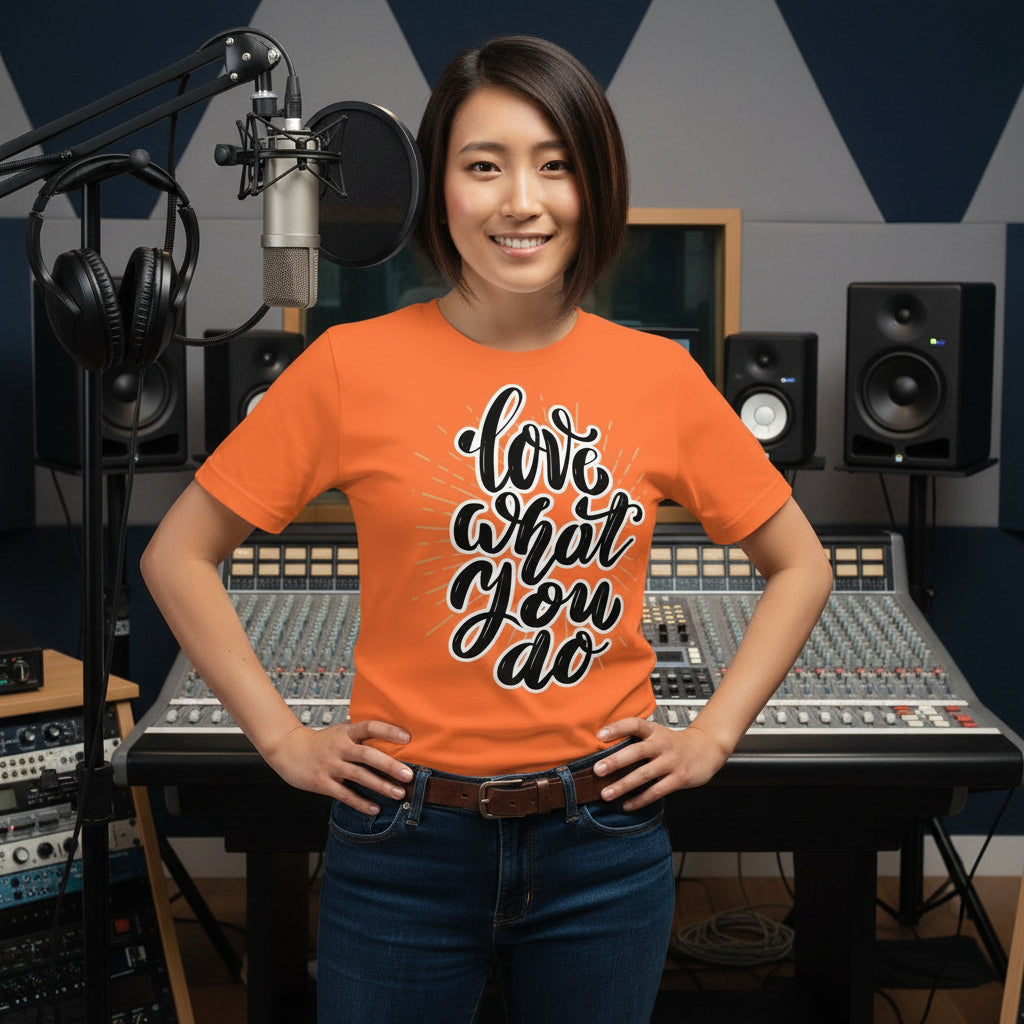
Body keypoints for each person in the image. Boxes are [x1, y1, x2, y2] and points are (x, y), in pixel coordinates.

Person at [141, 34, 834, 1024]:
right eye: (484, 165)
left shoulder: (660, 377)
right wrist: (283, 737)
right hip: (402, 843)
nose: (522, 200)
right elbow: (177, 554)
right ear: (438, 191)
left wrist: (712, 736)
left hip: (604, 838)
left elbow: (800, 564)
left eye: (555, 165)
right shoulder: (348, 365)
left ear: (593, 187)